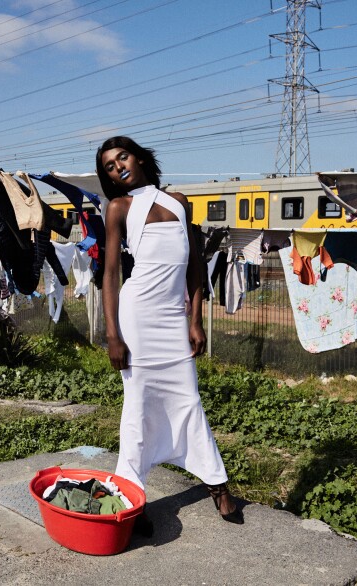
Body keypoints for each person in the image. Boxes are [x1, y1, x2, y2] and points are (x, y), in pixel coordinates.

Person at [97, 136, 243, 532]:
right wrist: (113, 334)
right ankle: (130, 499)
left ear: (139, 157)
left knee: (189, 399)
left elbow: (194, 264)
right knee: (139, 406)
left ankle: (216, 483)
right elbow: (111, 274)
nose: (118, 167)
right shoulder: (118, 208)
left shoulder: (179, 201)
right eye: (109, 166)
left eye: (122, 157)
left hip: (172, 318)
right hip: (138, 317)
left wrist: (194, 319)